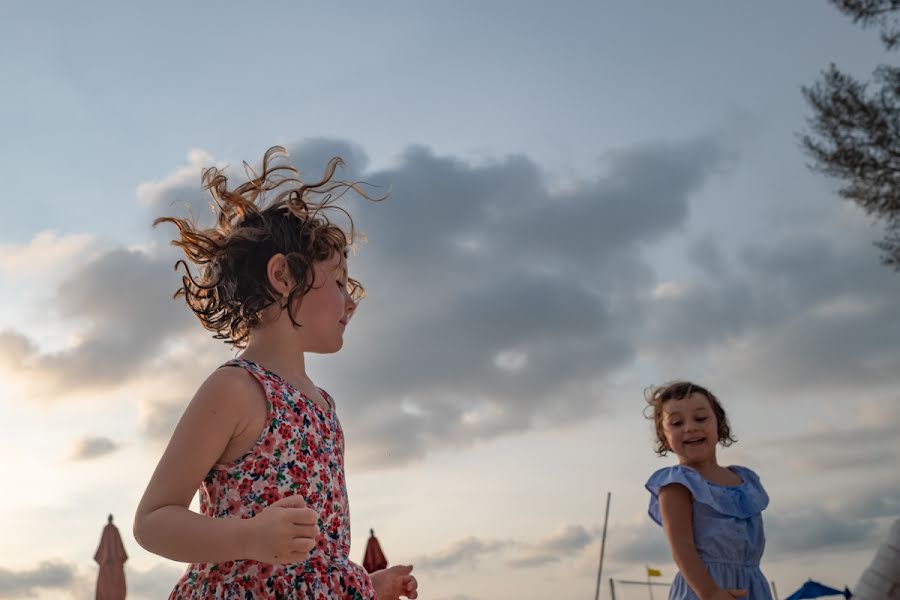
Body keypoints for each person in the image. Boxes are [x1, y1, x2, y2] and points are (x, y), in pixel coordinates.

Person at [134, 146, 418, 600]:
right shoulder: (236, 389)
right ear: (284, 275)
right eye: (340, 280)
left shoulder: (324, 406)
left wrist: (366, 584)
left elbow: (315, 560)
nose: (352, 300)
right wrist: (247, 537)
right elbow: (152, 521)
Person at [644, 381, 771, 600]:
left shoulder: (745, 481)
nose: (690, 427)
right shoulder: (677, 484)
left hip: (752, 587)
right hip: (702, 590)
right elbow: (681, 548)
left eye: (700, 418)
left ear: (719, 425)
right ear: (664, 437)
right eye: (676, 423)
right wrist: (710, 592)